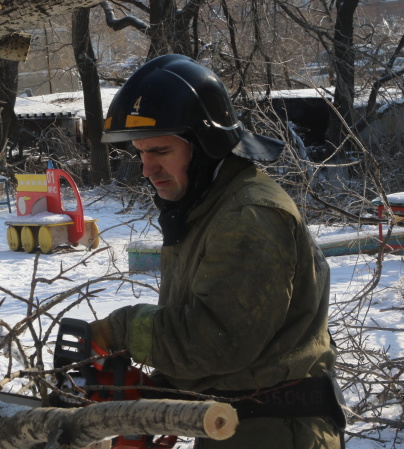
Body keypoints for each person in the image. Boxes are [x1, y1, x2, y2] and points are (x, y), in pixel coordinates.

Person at [90, 55, 346, 448]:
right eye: (140, 153)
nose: (146, 168)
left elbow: (217, 340)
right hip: (237, 423)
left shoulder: (249, 215)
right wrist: (158, 397)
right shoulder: (206, 207)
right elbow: (238, 347)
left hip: (278, 432)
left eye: (159, 151)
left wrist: (119, 331)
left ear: (206, 145)